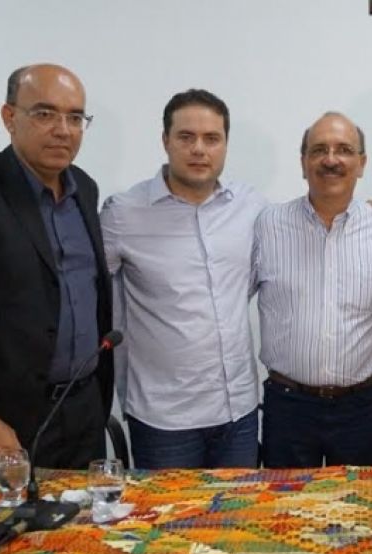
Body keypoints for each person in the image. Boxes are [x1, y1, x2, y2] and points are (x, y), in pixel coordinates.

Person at [0, 64, 113, 469]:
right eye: (45, 113)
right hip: (3, 419)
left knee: (87, 513)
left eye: (75, 117)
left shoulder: (84, 188)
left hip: (82, 411)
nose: (63, 130)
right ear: (9, 117)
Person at [100, 89, 264, 469]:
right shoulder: (123, 213)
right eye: (186, 137)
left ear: (225, 144)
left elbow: (300, 226)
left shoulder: (250, 206)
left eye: (212, 138)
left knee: (239, 508)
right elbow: (85, 286)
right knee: (167, 510)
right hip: (164, 420)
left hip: (238, 411)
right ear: (165, 141)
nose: (199, 149)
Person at [254, 112, 372, 468]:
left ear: (362, 163)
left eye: (344, 150)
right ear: (303, 163)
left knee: (365, 501)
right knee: (285, 502)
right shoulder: (267, 226)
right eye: (319, 150)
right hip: (289, 406)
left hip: (362, 407)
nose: (331, 160)